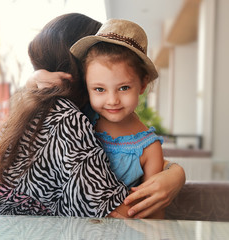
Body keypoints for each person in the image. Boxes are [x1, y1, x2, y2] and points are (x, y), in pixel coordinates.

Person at [0, 13, 185, 218]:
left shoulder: (33, 108)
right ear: (84, 69)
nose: (112, 98)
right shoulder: (66, 119)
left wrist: (175, 172)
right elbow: (122, 213)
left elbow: (125, 156)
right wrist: (174, 177)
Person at [69, 19, 165, 218]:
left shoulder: (149, 148)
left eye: (123, 88)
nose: (112, 100)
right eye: (99, 89)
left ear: (143, 84)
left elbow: (154, 211)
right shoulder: (80, 120)